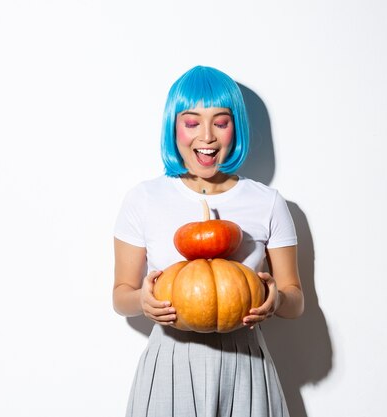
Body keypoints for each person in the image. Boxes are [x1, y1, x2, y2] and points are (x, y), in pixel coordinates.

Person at [113, 65, 304, 417]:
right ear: (174, 127)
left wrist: (276, 299)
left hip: (245, 363)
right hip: (170, 361)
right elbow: (120, 295)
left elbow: (296, 301)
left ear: (236, 127)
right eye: (192, 122)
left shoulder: (268, 202)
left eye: (220, 121)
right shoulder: (143, 199)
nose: (207, 136)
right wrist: (141, 298)